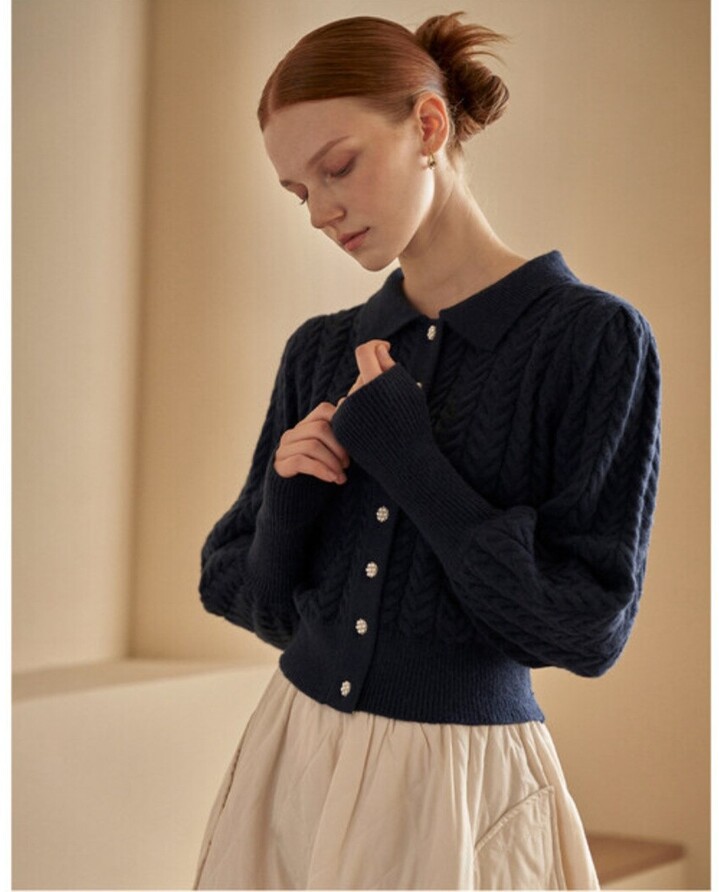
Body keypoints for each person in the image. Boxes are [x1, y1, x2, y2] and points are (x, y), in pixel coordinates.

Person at [192, 11, 662, 891]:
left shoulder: (592, 341)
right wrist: (290, 503)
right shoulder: (321, 349)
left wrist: (412, 463)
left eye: (338, 167)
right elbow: (244, 594)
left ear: (430, 127)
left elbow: (586, 629)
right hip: (293, 757)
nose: (320, 212)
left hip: (459, 783)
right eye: (297, 192)